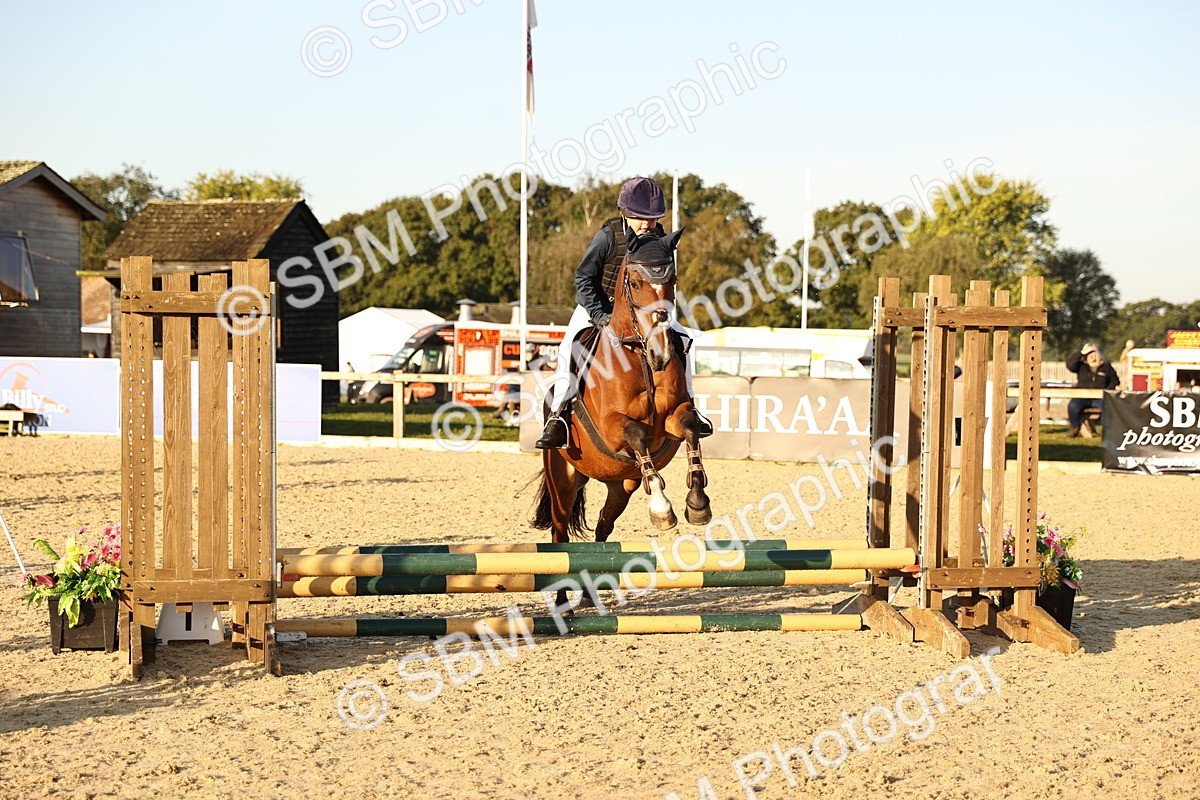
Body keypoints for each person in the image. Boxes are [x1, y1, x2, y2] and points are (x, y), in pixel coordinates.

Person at [535, 176, 712, 449]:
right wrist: (602, 316)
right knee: (569, 347)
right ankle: (558, 416)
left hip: (642, 312)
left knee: (685, 340)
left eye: (652, 219)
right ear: (623, 213)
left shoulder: (660, 239)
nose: (647, 225)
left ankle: (691, 407)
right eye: (640, 218)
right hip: (598, 304)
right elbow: (584, 279)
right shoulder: (608, 237)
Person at [1065, 342, 1119, 437]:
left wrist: (1107, 391)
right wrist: (1081, 352)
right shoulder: (1081, 366)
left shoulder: (1106, 367)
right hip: (1082, 396)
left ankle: (1109, 431)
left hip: (1099, 398)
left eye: (1093, 352)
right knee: (1073, 406)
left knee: (1108, 408)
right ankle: (1074, 428)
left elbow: (1115, 381)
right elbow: (1070, 365)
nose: (1091, 355)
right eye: (1088, 353)